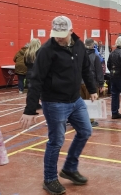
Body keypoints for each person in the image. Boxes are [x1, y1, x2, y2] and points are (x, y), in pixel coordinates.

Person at [19, 16, 98, 194]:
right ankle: (50, 179)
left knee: (86, 131)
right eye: (56, 34)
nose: (59, 38)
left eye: (62, 34)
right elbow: (35, 80)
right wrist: (30, 109)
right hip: (54, 102)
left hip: (75, 100)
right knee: (56, 141)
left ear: (71, 31)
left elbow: (85, 67)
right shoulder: (46, 50)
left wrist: (92, 89)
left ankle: (69, 168)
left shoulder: (78, 45)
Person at [81, 38, 105, 127]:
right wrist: (101, 84)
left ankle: (81, 119)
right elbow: (99, 72)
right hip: (91, 82)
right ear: (93, 45)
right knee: (91, 101)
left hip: (80, 82)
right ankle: (90, 121)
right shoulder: (95, 56)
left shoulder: (80, 55)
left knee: (82, 102)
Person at [24, 38, 42, 110]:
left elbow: (25, 63)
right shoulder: (40, 52)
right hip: (37, 73)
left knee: (30, 90)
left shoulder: (27, 52)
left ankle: (30, 104)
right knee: (38, 89)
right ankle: (37, 103)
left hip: (29, 72)